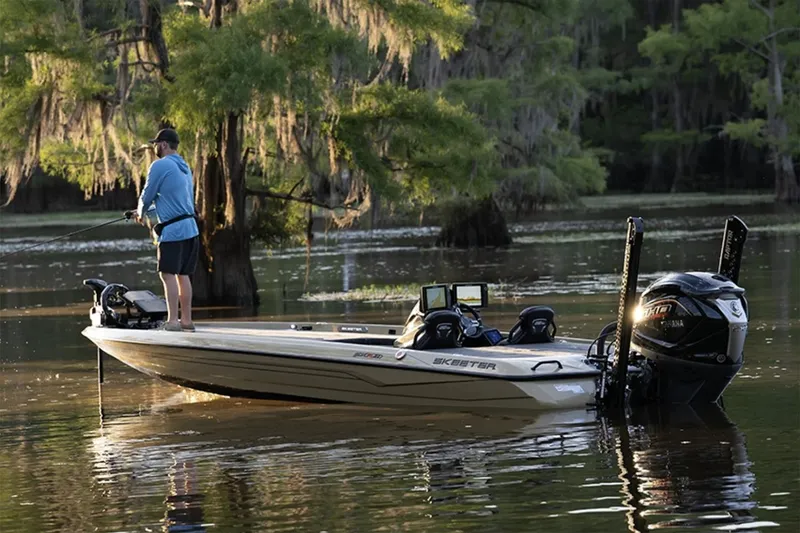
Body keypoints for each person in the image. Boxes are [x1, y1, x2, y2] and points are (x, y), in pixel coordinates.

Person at [134, 128, 199, 332]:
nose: (154, 148)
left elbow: (147, 194)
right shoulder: (184, 166)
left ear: (163, 144)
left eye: (155, 144)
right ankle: (186, 321)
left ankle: (172, 322)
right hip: (191, 229)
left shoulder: (160, 165)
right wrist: (143, 211)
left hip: (173, 231)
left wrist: (140, 212)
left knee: (167, 274)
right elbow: (171, 201)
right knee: (183, 275)